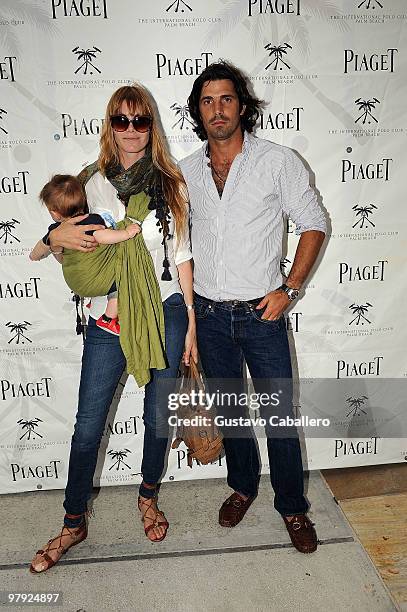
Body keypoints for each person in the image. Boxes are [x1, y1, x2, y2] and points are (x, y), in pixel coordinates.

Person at [30, 84, 197, 573]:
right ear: (110, 124)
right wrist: (52, 236)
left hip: (162, 308)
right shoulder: (88, 182)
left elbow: (181, 254)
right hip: (106, 316)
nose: (131, 130)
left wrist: (188, 319)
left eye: (140, 120)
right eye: (121, 120)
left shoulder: (171, 183)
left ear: (151, 126)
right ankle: (73, 520)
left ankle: (147, 497)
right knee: (88, 422)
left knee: (157, 413)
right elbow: (43, 249)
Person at [179, 61, 326, 554]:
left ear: (242, 105)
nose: (217, 109)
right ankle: (242, 486)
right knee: (231, 412)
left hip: (263, 315)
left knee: (280, 415)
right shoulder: (184, 172)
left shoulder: (276, 161)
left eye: (226, 99)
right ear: (197, 111)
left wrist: (291, 288)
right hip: (211, 314)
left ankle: (293, 507)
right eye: (207, 100)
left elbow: (314, 223)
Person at [29, 174, 142, 336]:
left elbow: (41, 246)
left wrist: (33, 256)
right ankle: (109, 318)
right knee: (125, 277)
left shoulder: (56, 230)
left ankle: (93, 301)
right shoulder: (92, 220)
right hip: (93, 280)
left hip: (75, 281)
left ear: (55, 213)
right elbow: (103, 236)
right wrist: (126, 233)